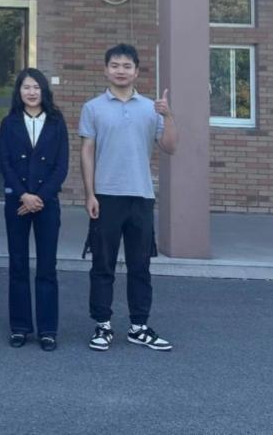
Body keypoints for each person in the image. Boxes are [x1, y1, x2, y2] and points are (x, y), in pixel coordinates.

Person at [79, 43, 178, 352]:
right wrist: (89, 193)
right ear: (105, 70)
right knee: (102, 264)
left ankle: (139, 326)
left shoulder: (151, 108)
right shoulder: (93, 108)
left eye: (126, 66)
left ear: (136, 71)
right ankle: (102, 325)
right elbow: (87, 151)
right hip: (106, 196)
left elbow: (170, 146)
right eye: (115, 65)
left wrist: (168, 115)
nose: (120, 71)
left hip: (141, 196)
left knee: (140, 266)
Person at [0, 67, 69, 351]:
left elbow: (61, 166)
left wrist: (39, 197)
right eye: (26, 87)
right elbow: (4, 163)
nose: (31, 92)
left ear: (44, 91)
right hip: (17, 202)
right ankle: (20, 327)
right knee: (17, 264)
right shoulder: (9, 123)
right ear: (19, 91)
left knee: (47, 266)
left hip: (47, 204)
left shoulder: (56, 122)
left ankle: (48, 329)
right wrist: (24, 195)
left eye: (36, 87)